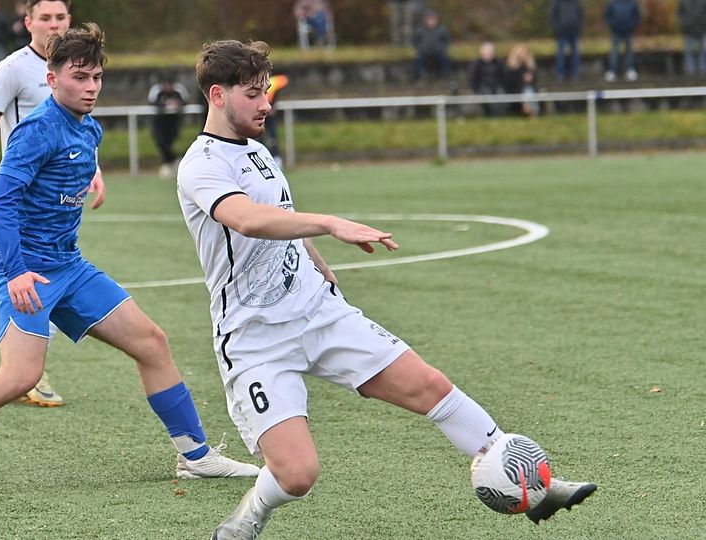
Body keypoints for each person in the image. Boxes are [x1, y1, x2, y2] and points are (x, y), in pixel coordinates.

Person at [177, 39, 597, 539]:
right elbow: (245, 219)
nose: (266, 103)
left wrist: (318, 262)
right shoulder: (201, 163)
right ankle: (248, 518)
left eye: (266, 91)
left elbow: (281, 216)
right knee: (297, 474)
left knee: (431, 386)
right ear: (218, 95)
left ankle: (535, 484)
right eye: (253, 94)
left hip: (318, 313)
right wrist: (331, 223)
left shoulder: (259, 151)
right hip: (255, 338)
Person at [0, 21, 261, 498]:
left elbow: (73, 163)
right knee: (20, 375)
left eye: (96, 78)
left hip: (70, 266)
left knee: (152, 342)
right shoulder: (36, 129)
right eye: (79, 77)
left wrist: (92, 177)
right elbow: (1, 202)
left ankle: (195, 455)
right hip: (26, 269)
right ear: (52, 78)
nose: (90, 88)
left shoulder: (90, 128)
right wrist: (17, 270)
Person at [0, 0, 78, 407]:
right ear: (28, 21)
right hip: (21, 196)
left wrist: (93, 172)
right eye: (45, 18)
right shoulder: (13, 68)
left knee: (53, 270)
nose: (53, 25)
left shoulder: (75, 67)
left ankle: (23, 368)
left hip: (60, 196)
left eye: (61, 17)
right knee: (21, 270)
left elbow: (78, 129)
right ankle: (23, 371)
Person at [147, 78, 190, 178]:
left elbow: (185, 101)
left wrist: (177, 104)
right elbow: (152, 103)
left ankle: (169, 164)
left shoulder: (178, 90)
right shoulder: (156, 90)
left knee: (169, 143)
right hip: (159, 123)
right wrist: (165, 104)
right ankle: (173, 162)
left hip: (173, 122)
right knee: (161, 142)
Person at [604, 0, 641, 82]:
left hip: (629, 31)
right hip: (616, 32)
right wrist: (612, 25)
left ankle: (630, 70)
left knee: (629, 52)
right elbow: (607, 16)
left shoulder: (633, 3)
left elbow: (638, 16)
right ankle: (612, 71)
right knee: (614, 52)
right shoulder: (612, 3)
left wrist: (632, 26)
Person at [468, 41, 506, 116]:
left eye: (490, 52)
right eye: (486, 52)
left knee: (502, 94)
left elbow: (504, 77)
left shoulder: (499, 63)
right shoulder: (476, 64)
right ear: (481, 52)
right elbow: (472, 80)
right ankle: (495, 115)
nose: (488, 54)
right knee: (489, 96)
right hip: (483, 88)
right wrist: (476, 90)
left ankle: (500, 115)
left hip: (497, 87)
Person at [549, 0, 583, 82]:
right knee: (561, 54)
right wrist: (557, 29)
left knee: (575, 53)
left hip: (574, 31)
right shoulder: (556, 2)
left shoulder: (575, 2)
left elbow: (581, 15)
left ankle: (575, 74)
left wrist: (579, 27)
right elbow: (552, 16)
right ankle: (560, 74)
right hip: (562, 32)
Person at [412, 10, 451, 82]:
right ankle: (422, 75)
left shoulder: (442, 29)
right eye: (429, 19)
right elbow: (415, 41)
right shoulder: (420, 29)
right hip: (424, 51)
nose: (431, 21)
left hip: (439, 51)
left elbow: (447, 40)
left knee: (446, 57)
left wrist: (442, 48)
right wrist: (420, 48)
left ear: (436, 20)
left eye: (433, 19)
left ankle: (444, 75)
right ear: (426, 20)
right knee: (418, 58)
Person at [258, 73, 288, 167]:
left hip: (269, 117)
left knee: (273, 138)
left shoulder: (274, 84)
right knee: (261, 138)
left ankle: (276, 160)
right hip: (264, 117)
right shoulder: (271, 86)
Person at [504, 43, 539, 117]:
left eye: (524, 52)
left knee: (528, 91)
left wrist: (530, 78)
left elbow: (535, 79)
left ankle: (529, 109)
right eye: (520, 52)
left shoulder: (530, 66)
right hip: (516, 89)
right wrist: (522, 78)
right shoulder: (511, 66)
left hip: (529, 89)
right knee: (528, 92)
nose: (522, 54)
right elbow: (510, 81)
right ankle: (533, 112)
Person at [678, 0, 706, 76]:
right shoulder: (683, 2)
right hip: (688, 30)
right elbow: (680, 14)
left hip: (701, 30)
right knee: (688, 51)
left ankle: (703, 70)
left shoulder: (703, 2)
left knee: (703, 51)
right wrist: (684, 25)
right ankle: (690, 71)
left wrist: (703, 25)